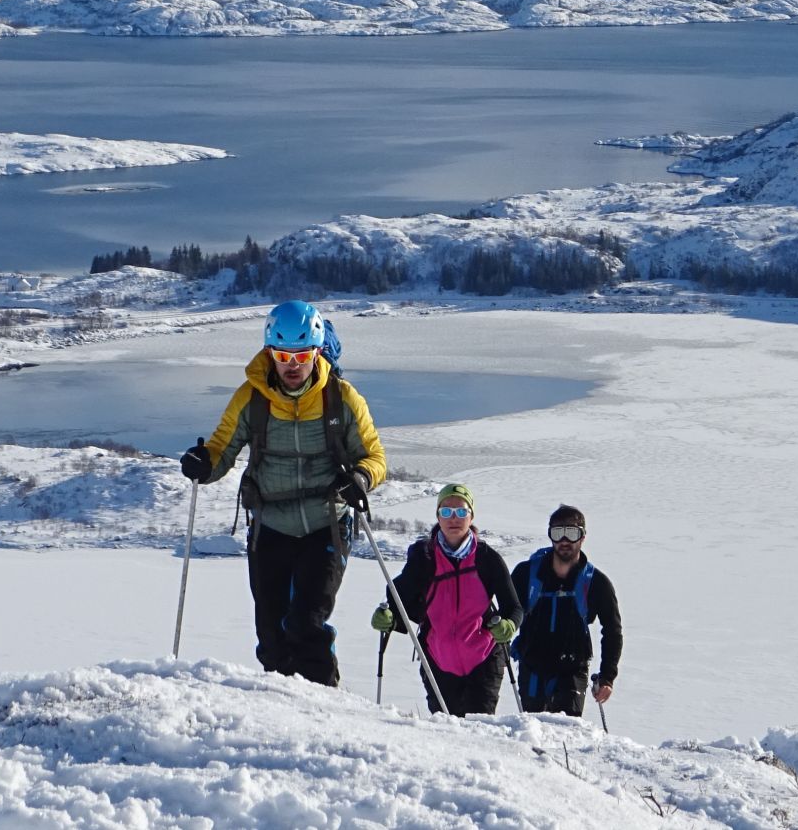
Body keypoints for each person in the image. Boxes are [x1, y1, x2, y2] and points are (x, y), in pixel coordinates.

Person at [179, 301, 386, 687]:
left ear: (317, 352)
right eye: (283, 355)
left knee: (306, 622)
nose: (293, 365)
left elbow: (374, 456)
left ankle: (325, 709)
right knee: (272, 636)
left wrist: (359, 478)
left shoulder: (341, 398)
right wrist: (203, 463)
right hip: (269, 527)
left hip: (326, 526)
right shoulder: (251, 397)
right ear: (270, 353)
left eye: (302, 355)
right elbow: (223, 448)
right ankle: (281, 715)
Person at [372, 482, 522, 716]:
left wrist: (509, 625)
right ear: (438, 516)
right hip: (436, 658)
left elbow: (513, 607)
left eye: (461, 511)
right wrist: (388, 617)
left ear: (471, 517)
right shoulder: (425, 557)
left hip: (484, 657)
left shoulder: (487, 559)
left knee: (478, 727)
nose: (454, 518)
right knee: (446, 730)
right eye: (446, 511)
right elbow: (398, 597)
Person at [510, 504, 622, 716]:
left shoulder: (597, 582)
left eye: (571, 533)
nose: (564, 540)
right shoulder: (526, 574)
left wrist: (608, 677)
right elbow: (506, 612)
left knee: (567, 730)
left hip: (572, 668)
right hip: (532, 666)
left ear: (582, 536)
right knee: (532, 731)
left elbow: (612, 630)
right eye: (557, 532)